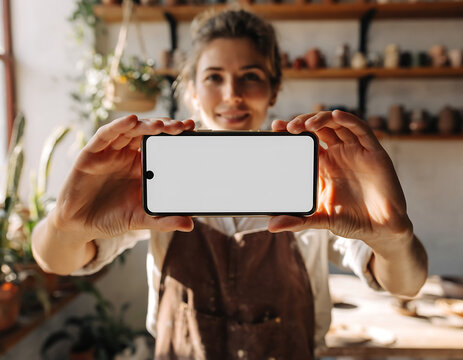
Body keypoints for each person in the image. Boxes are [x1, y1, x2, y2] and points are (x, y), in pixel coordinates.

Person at [32, 8, 428, 360]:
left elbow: (406, 283)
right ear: (190, 91)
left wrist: (393, 237)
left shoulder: (316, 181)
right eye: (213, 77)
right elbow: (58, 260)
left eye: (250, 77)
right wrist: (66, 224)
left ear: (274, 90)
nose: (232, 95)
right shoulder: (158, 178)